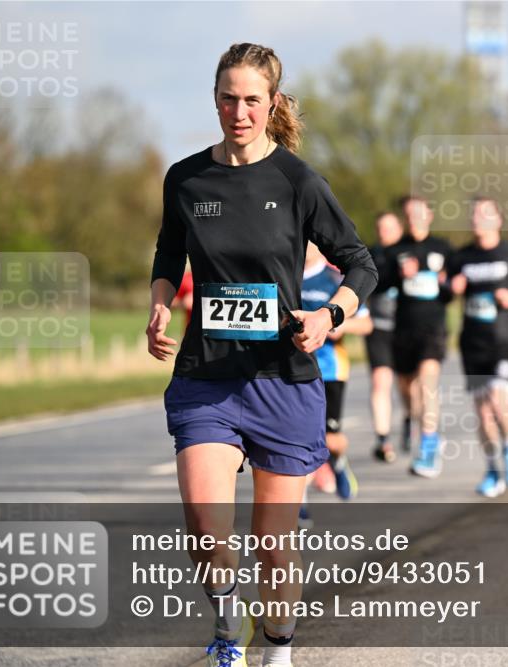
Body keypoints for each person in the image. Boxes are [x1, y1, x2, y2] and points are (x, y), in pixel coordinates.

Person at [146, 43, 377, 667]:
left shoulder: (298, 182)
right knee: (204, 524)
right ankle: (229, 625)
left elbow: (360, 264)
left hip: (282, 378)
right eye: (228, 99)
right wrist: (160, 303)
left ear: (272, 103)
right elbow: (169, 251)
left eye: (252, 100)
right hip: (207, 375)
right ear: (215, 99)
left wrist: (329, 316)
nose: (239, 112)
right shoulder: (186, 178)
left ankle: (278, 651)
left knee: (273, 545)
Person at [448, 197, 508, 497]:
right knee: (483, 412)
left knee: (498, 399)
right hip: (473, 342)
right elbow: (444, 292)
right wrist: (451, 288)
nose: (477, 219)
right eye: (474, 214)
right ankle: (492, 470)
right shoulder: (461, 257)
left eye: (484, 214)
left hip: (504, 338)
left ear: (498, 220)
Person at [378, 195, 454, 478]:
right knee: (408, 390)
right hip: (403, 328)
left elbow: (452, 291)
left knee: (426, 383)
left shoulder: (443, 248)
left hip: (433, 328)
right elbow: (379, 284)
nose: (414, 219)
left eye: (419, 213)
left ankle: (429, 446)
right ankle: (417, 421)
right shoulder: (395, 250)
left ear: (429, 215)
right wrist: (399, 274)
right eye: (409, 214)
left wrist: (445, 283)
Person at [301, 242, 373, 500]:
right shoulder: (286, 276)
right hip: (293, 368)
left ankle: (338, 461)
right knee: (297, 436)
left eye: (309, 241)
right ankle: (299, 503)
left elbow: (366, 324)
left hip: (330, 369)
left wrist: (341, 325)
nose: (304, 246)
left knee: (331, 439)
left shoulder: (336, 279)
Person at [364, 211, 404, 462]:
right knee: (380, 382)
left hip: (406, 328)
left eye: (389, 228)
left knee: (409, 387)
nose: (383, 233)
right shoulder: (369, 255)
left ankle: (410, 419)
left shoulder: (411, 252)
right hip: (378, 327)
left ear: (400, 229)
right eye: (380, 228)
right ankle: (383, 439)